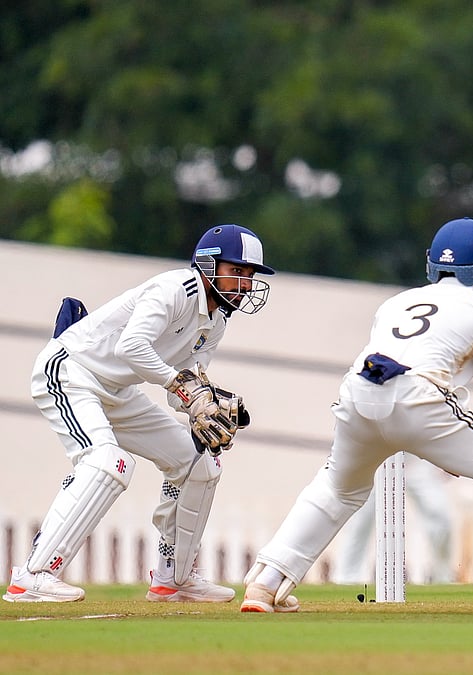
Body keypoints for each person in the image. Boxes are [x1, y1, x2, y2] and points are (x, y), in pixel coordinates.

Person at [240, 217, 473, 617]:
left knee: (337, 487)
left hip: (359, 390)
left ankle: (266, 581)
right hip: (418, 395)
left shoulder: (394, 303)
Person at [4, 224, 273, 603]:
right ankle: (33, 576)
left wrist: (203, 404)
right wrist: (182, 387)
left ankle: (173, 578)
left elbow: (182, 387)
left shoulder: (216, 322)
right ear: (208, 265)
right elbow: (132, 349)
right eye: (238, 272)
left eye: (250, 276)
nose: (244, 284)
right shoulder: (175, 290)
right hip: (70, 371)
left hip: (117, 391)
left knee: (200, 462)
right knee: (108, 462)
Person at [330, 454, 456, 585]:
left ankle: (443, 577)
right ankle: (347, 578)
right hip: (377, 460)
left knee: (441, 518)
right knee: (358, 523)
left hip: (417, 459)